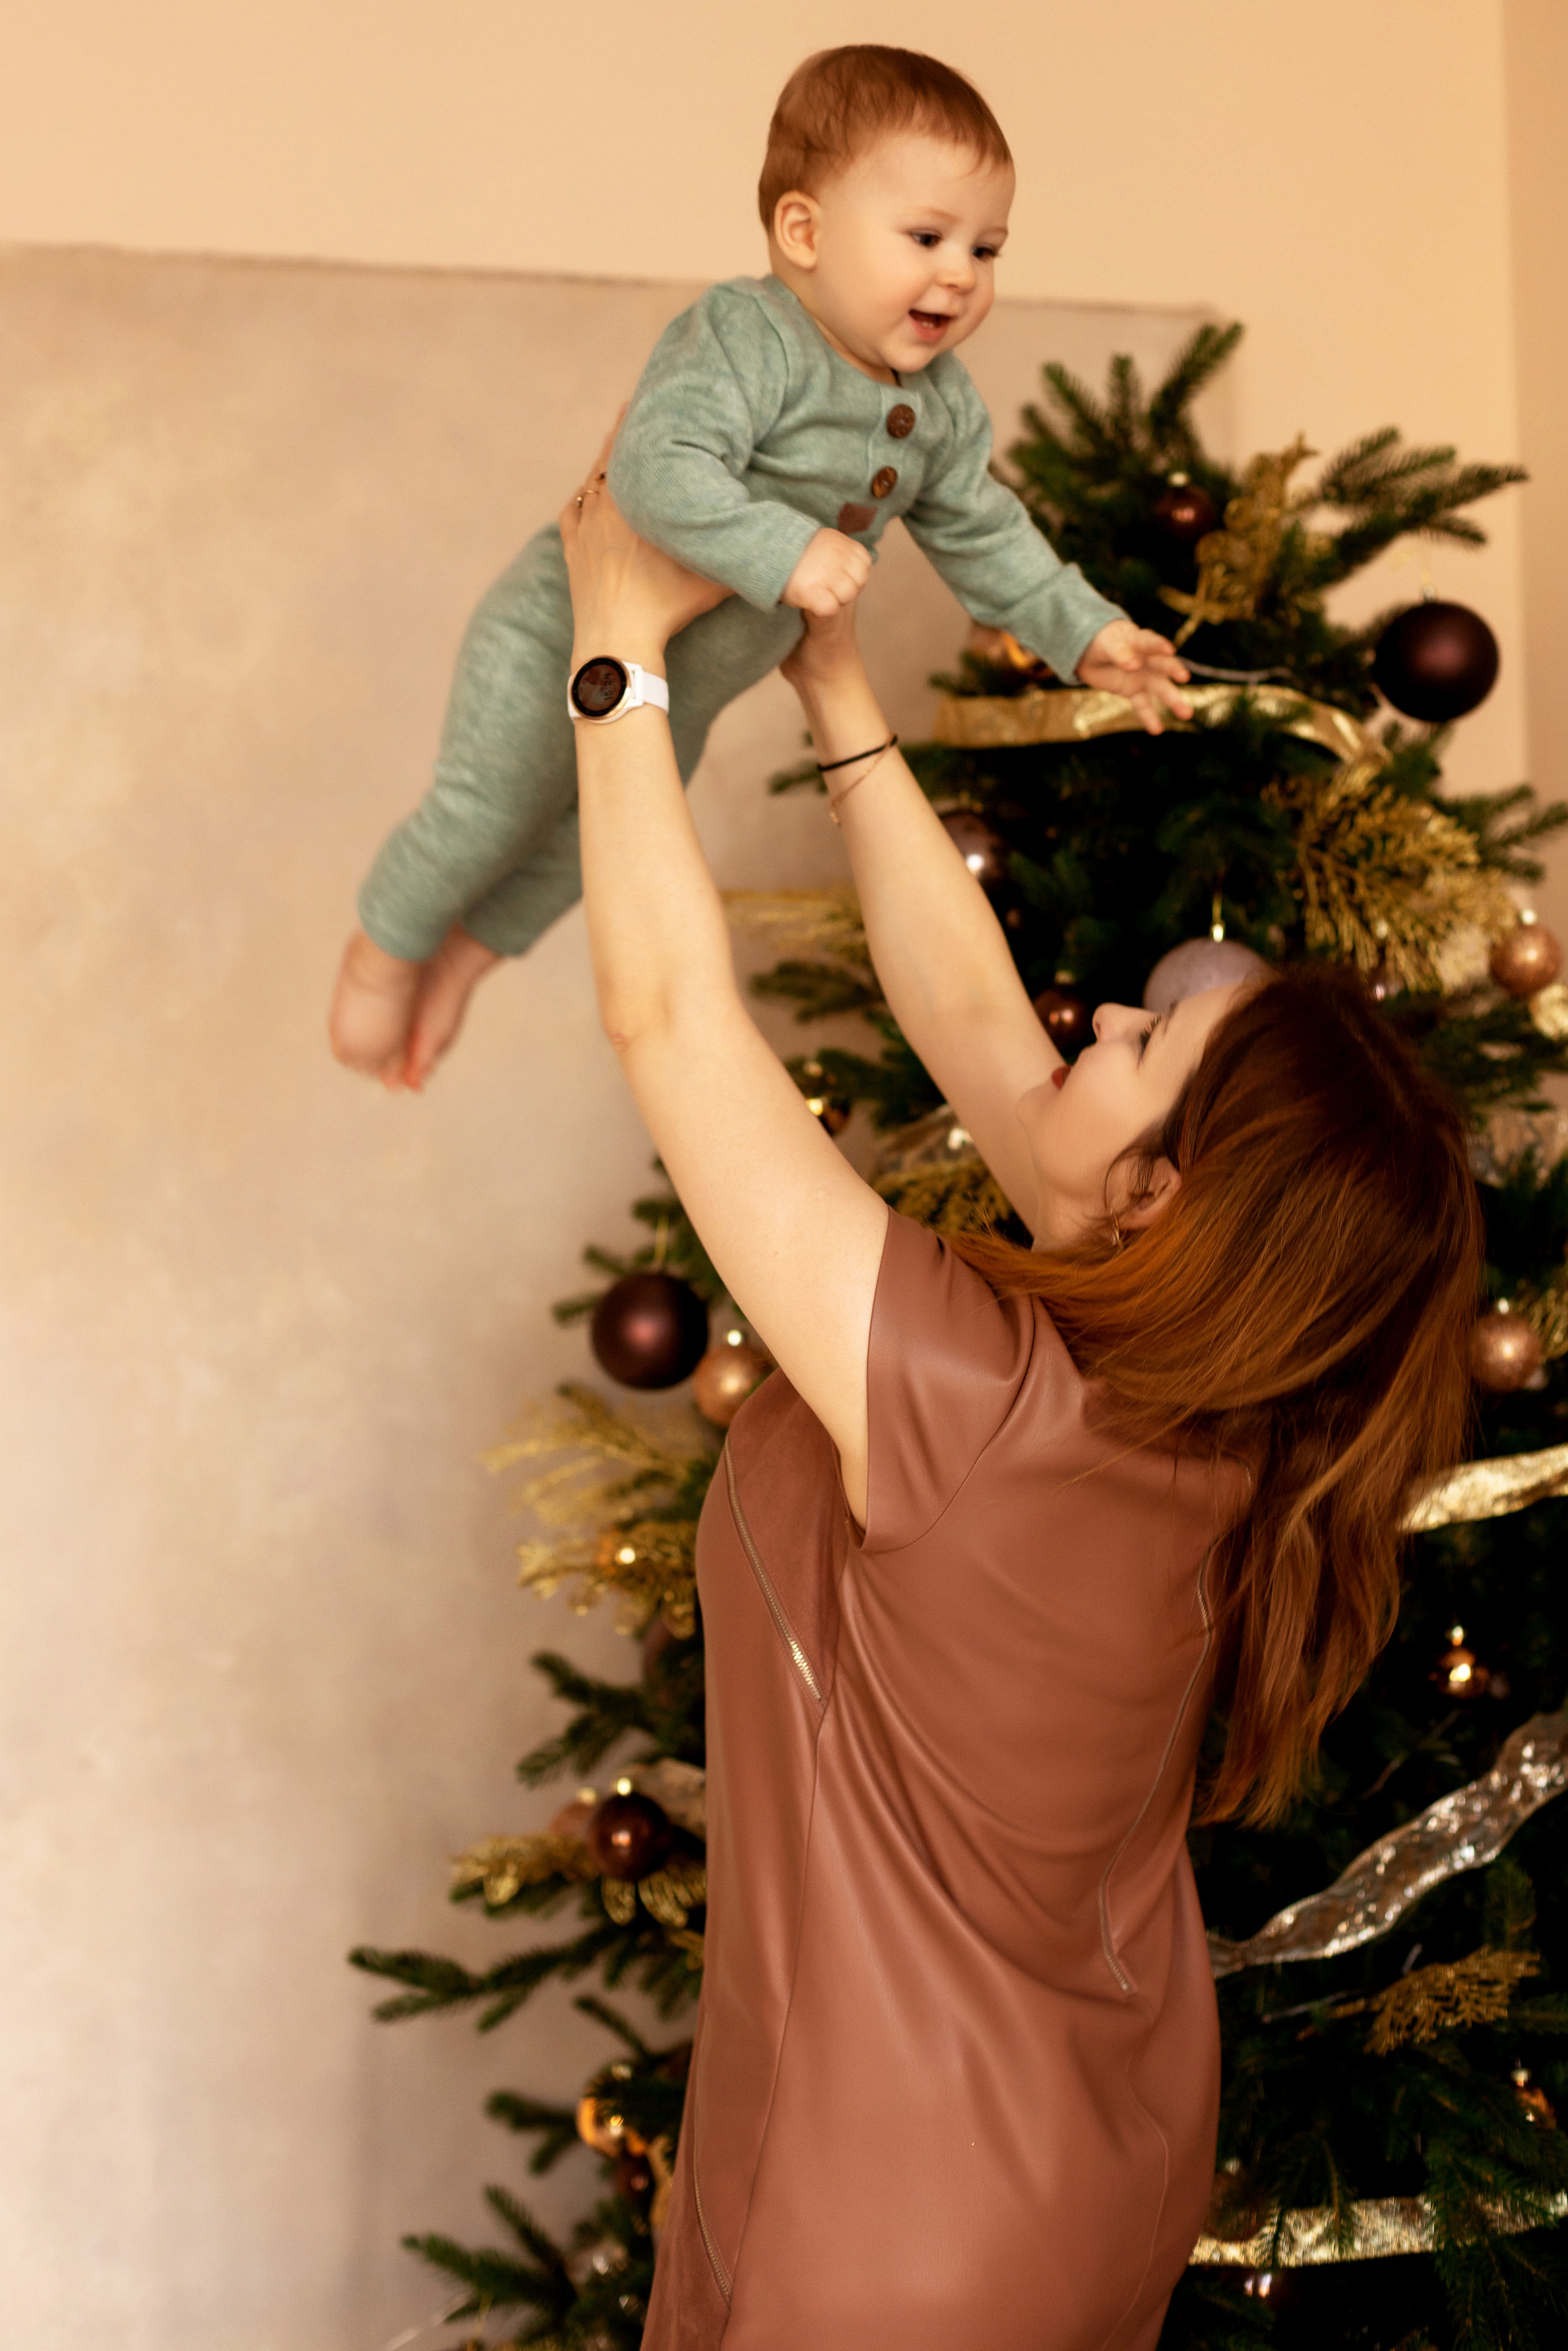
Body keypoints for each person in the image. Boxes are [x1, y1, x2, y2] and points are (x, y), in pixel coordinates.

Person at [551, 440, 1482, 2351]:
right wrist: (835, 692)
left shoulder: (970, 1398)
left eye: (1153, 1042)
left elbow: (667, 1019)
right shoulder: (1229, 1420)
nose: (1111, 1011)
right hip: (1091, 2166)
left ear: (1162, 1201)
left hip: (892, 2239)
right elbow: (971, 1012)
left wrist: (614, 657)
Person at [328, 44, 1192, 1092]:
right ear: (804, 232)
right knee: (490, 813)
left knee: (583, 849)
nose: (963, 273)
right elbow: (655, 467)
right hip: (554, 639)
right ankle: (382, 954)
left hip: (677, 695)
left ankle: (466, 962)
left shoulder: (944, 407)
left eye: (988, 248)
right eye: (928, 237)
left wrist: (1089, 634)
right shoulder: (747, 334)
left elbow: (986, 532)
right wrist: (788, 549)